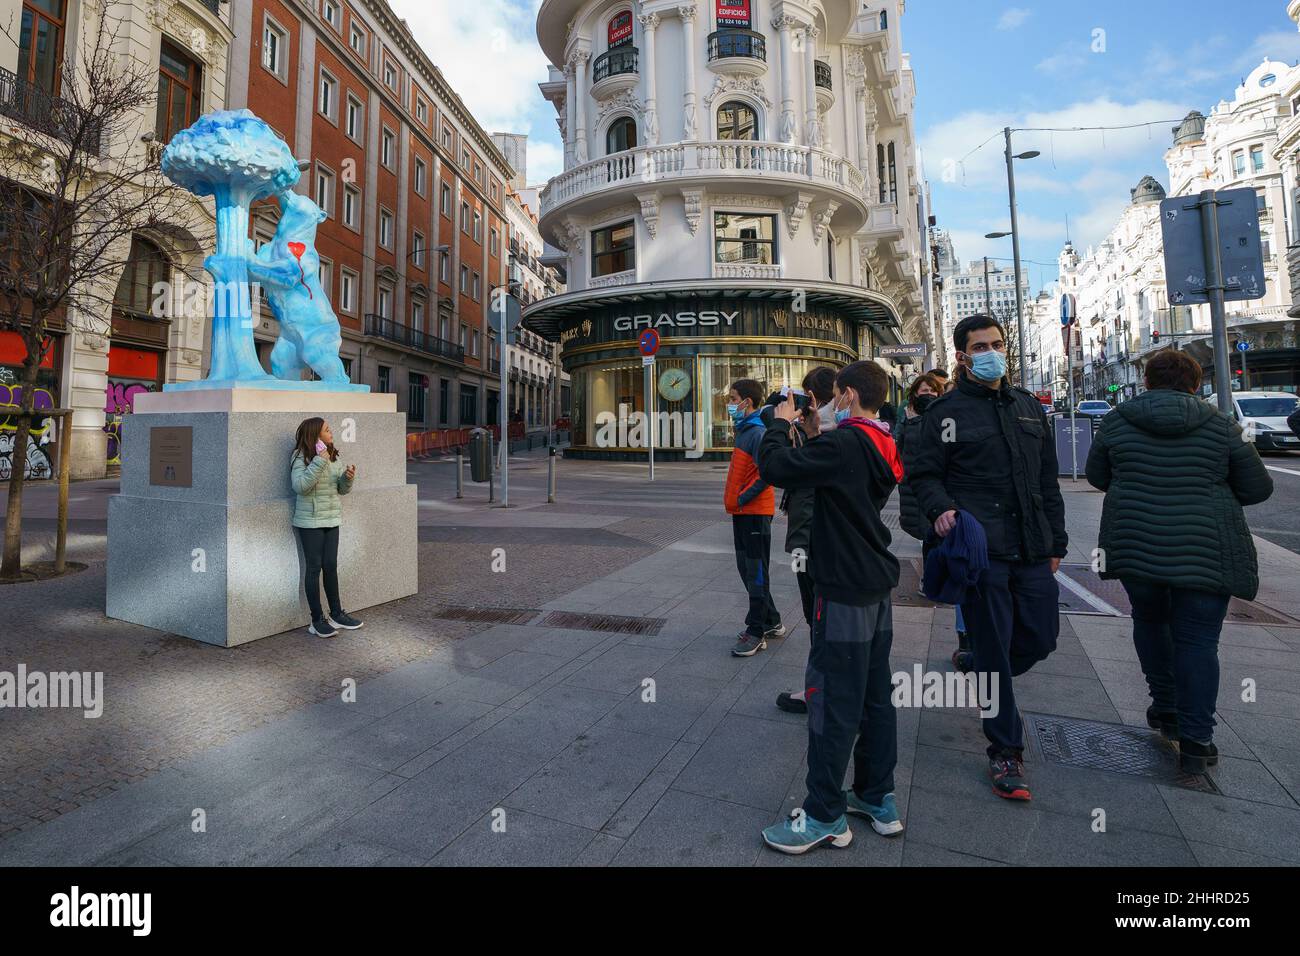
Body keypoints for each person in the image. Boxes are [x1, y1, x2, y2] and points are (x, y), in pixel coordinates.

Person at [1085, 350, 1272, 773]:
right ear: (1194, 382)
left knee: (1150, 622)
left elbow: (1098, 476)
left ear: (1147, 381)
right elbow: (1258, 488)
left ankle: (1165, 708)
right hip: (1207, 550)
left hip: (1137, 544)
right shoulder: (1224, 424)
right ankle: (1197, 739)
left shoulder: (1116, 421)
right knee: (1199, 642)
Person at [909, 314, 1067, 801]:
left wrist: (1056, 542)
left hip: (1033, 546)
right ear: (961, 355)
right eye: (980, 346)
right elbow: (922, 476)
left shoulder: (1027, 407)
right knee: (996, 651)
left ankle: (982, 668)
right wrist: (943, 511)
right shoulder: (945, 413)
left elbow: (1047, 480)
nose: (991, 352)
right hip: (981, 551)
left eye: (997, 344)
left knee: (1041, 639)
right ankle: (1005, 749)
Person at [755, 361, 905, 854]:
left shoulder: (845, 445)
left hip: (842, 587)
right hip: (875, 584)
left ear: (846, 395)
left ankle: (822, 815)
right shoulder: (878, 440)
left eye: (837, 394)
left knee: (833, 701)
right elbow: (838, 477)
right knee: (875, 697)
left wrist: (779, 423)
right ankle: (875, 797)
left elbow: (777, 468)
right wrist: (815, 434)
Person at [774, 366, 837, 714]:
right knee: (823, 613)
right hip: (818, 538)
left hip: (811, 541)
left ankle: (821, 691)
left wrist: (781, 426)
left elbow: (775, 467)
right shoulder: (836, 431)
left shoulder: (826, 434)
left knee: (818, 613)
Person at [724, 379, 784, 657]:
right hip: (742, 512)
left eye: (734, 397)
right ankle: (771, 620)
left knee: (756, 571)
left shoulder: (757, 433)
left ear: (747, 402)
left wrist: (742, 498)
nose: (730, 402)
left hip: (755, 513)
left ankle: (757, 631)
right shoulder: (744, 430)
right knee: (746, 567)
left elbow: (766, 473)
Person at [290, 417, 364, 638]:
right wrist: (319, 461)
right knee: (314, 568)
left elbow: (341, 490)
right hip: (310, 521)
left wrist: (347, 478)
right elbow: (300, 487)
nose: (331, 432)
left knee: (330, 565)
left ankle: (336, 614)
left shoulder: (332, 455)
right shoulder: (300, 457)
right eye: (327, 430)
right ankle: (316, 620)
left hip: (332, 519)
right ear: (315, 434)